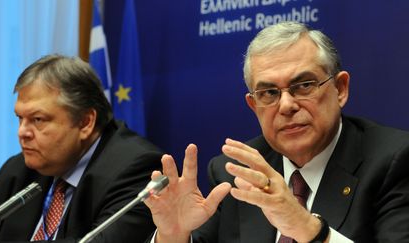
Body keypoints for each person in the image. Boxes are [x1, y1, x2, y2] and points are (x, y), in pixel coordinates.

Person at [144, 21, 409, 243]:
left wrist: (309, 229)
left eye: (304, 85)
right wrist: (174, 236)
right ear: (253, 105)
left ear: (340, 89)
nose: (286, 105)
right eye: (269, 93)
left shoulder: (394, 160)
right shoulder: (236, 172)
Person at [0, 55, 164, 242]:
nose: (22, 132)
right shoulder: (20, 169)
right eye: (20, 118)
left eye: (38, 119)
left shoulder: (136, 169)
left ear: (85, 122)